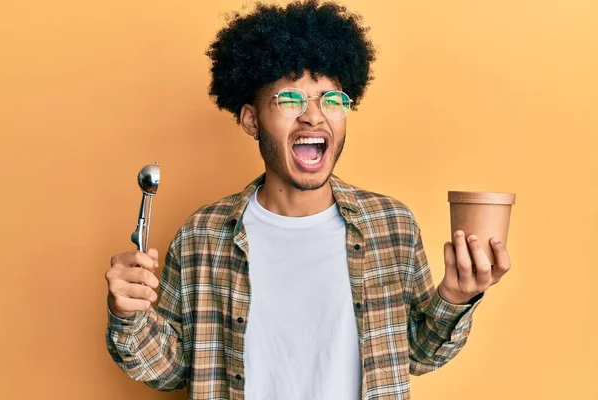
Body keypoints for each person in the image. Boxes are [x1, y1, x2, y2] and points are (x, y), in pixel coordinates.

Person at [105, 1, 511, 399]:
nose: (314, 116)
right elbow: (173, 371)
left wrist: (455, 297)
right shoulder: (201, 236)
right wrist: (129, 316)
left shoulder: (392, 226)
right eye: (290, 99)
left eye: (330, 100)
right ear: (250, 119)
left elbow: (419, 354)